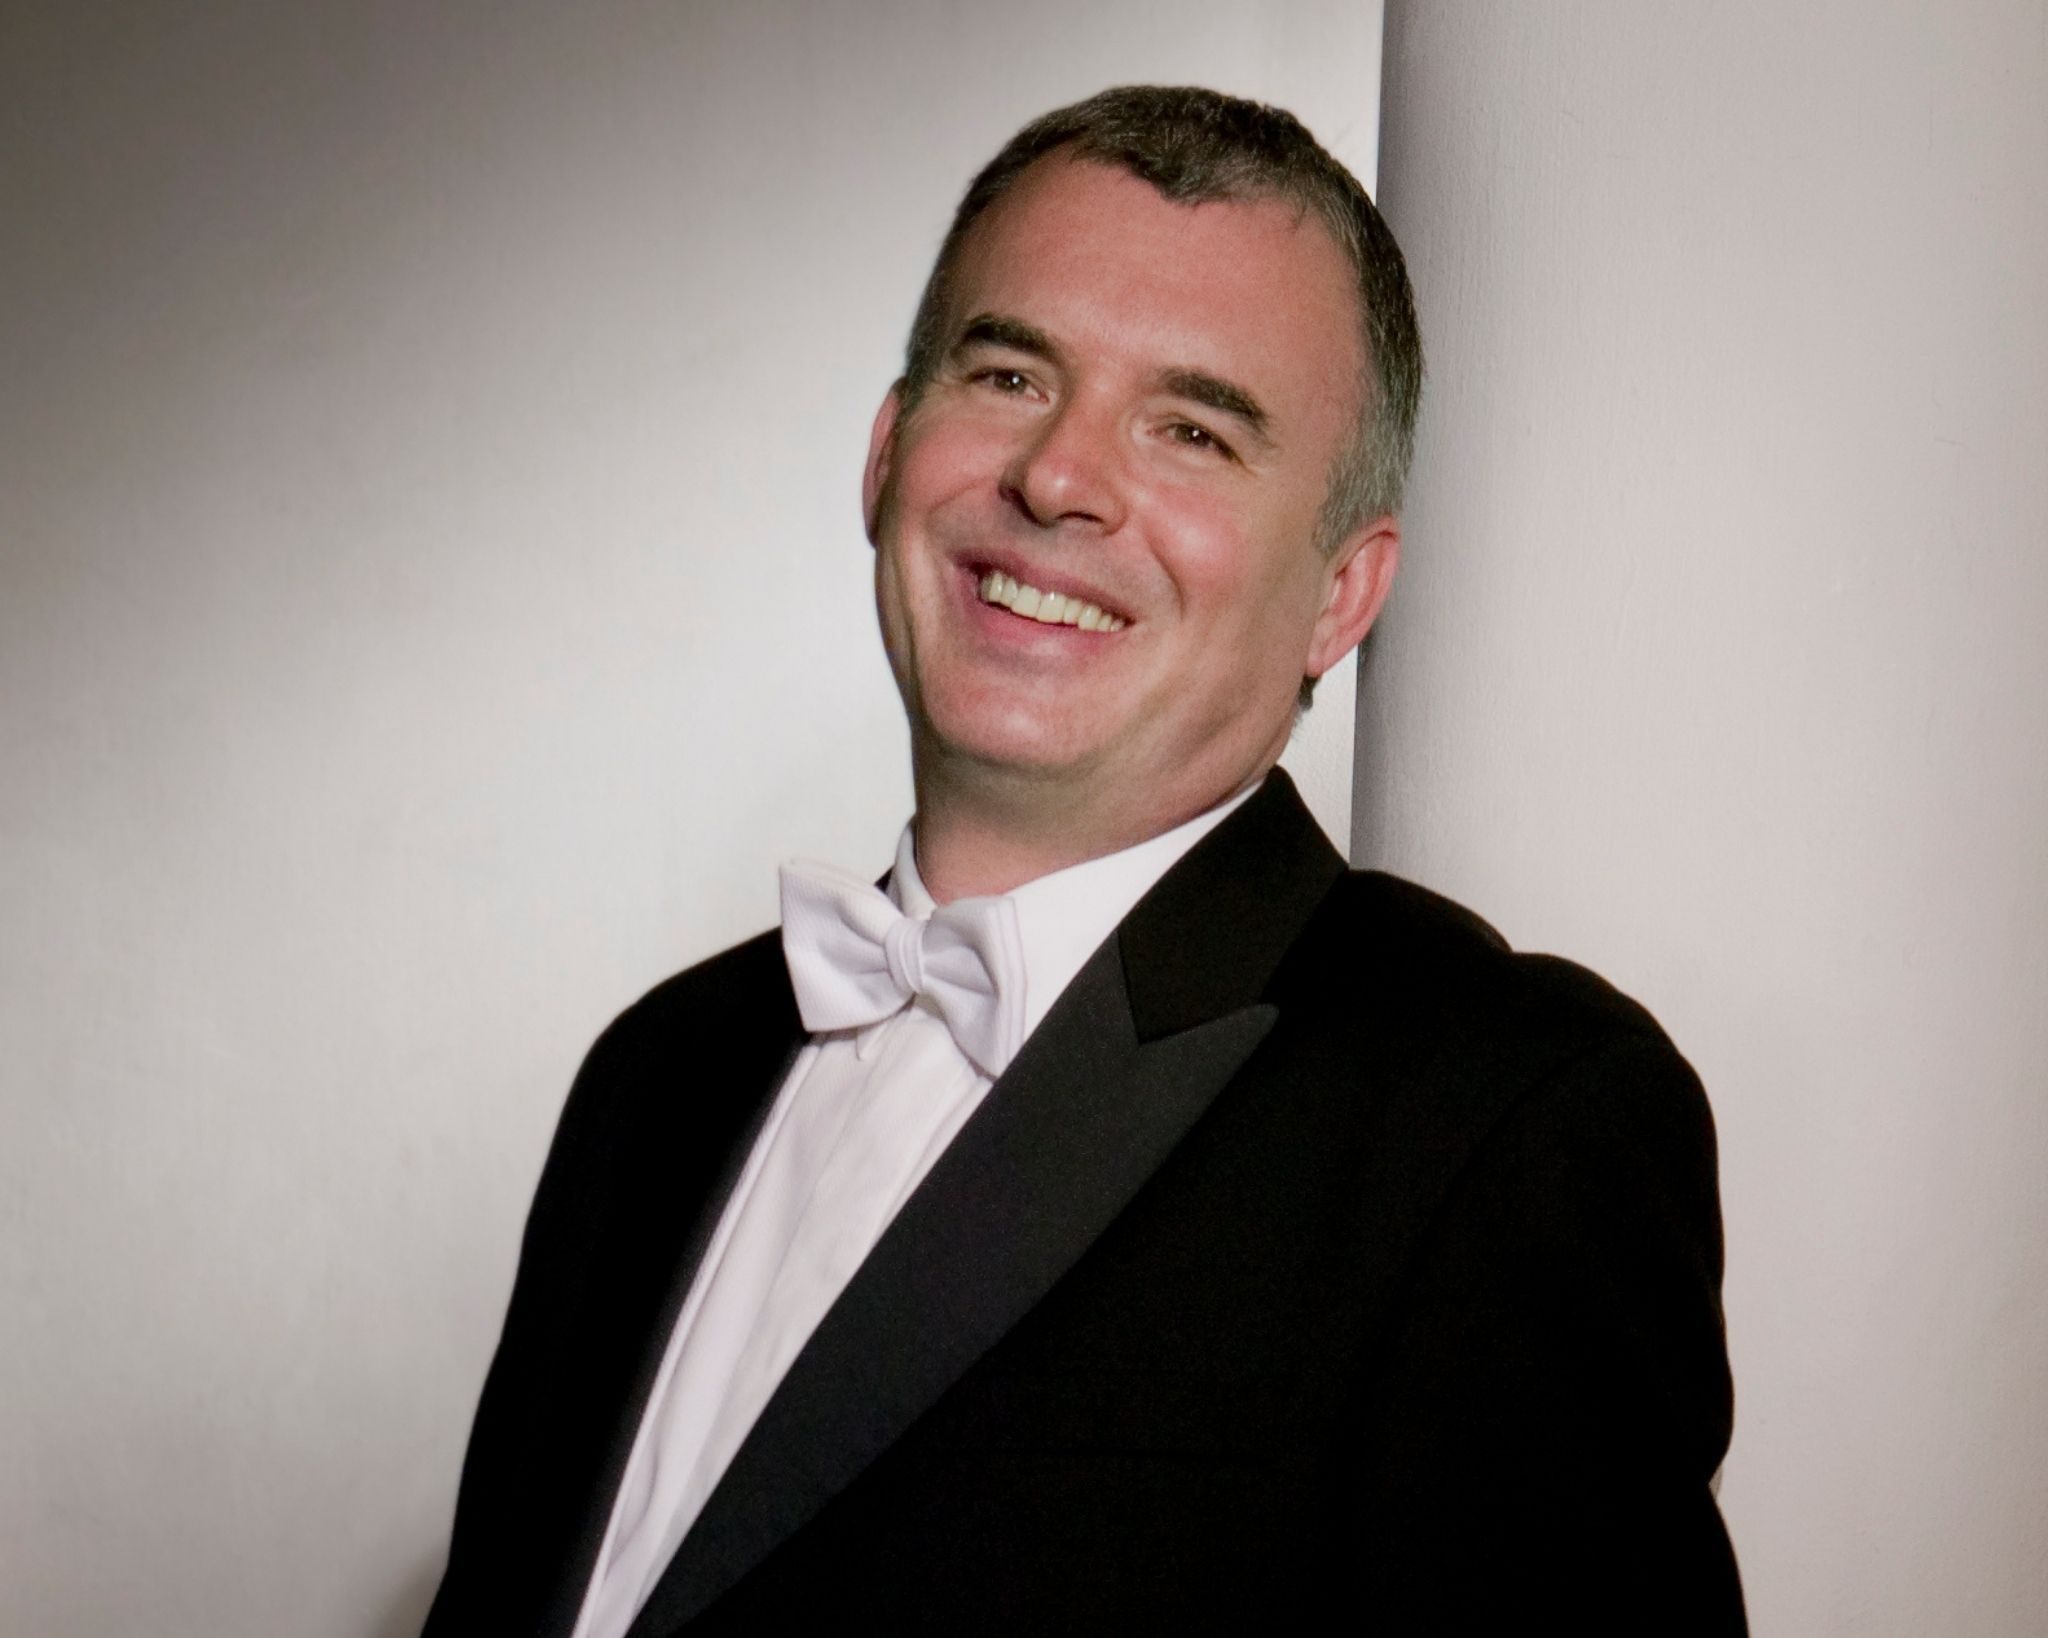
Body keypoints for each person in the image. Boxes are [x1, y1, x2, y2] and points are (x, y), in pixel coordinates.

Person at [424, 86, 1745, 1635]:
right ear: (886, 454)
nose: (1057, 477)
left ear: (1341, 592)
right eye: (1008, 372)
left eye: (1191, 426)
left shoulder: (1502, 1117)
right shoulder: (656, 1075)